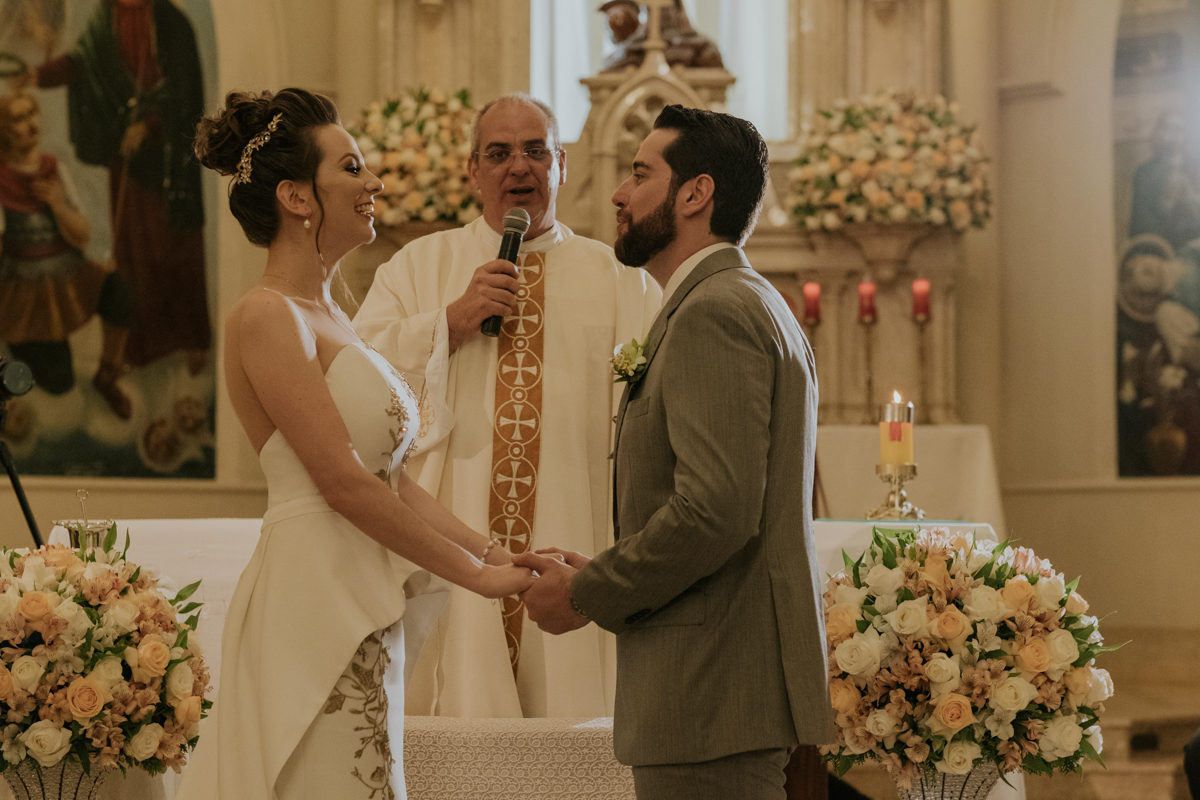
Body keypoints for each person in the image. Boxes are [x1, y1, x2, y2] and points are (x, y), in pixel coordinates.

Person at [176, 88, 533, 800]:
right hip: (311, 597)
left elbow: (391, 480)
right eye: (352, 168)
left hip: (358, 593)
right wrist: (477, 580)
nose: (373, 184)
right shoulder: (267, 316)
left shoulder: (333, 314)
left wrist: (494, 553)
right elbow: (341, 484)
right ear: (296, 196)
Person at [515, 105, 835, 800]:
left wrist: (588, 592)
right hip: (722, 689)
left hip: (709, 691)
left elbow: (714, 509)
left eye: (639, 174)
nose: (620, 196)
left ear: (696, 193)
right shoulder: (748, 298)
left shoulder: (715, 310)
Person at [355, 93, 660, 719]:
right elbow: (356, 379)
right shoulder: (419, 265)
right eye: (498, 153)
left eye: (534, 151)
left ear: (562, 165)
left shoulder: (620, 279)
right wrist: (449, 323)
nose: (518, 167)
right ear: (472, 171)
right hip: (455, 539)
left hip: (578, 535)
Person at [15, 0, 212, 374]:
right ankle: (140, 347)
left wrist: (150, 123)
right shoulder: (107, 16)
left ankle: (191, 339)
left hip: (169, 158)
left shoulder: (171, 22)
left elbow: (185, 91)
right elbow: (81, 62)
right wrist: (37, 76)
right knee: (132, 251)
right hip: (127, 153)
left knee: (176, 248)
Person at [0, 90, 134, 418]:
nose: (30, 124)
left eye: (32, 114)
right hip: (24, 283)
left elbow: (81, 237)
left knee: (120, 294)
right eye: (19, 119)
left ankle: (107, 374)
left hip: (67, 271)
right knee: (58, 382)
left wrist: (58, 206)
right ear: (4, 130)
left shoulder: (53, 168)